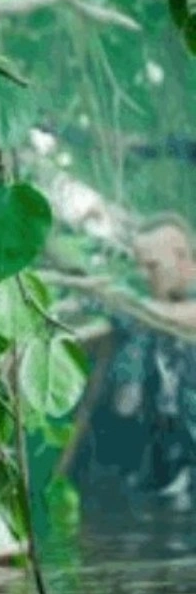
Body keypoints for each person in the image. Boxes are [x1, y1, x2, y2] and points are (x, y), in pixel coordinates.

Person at [71, 214, 196, 508]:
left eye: (152, 266)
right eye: (140, 266)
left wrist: (124, 304)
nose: (144, 275)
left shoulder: (158, 312)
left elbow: (180, 317)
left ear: (182, 258)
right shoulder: (145, 318)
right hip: (162, 467)